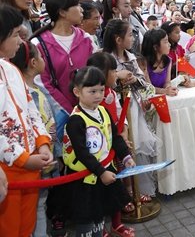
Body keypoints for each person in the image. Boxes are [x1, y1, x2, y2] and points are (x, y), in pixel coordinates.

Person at [61, 66, 135, 237]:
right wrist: (101, 172)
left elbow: (114, 137)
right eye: (92, 91)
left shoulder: (102, 111)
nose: (98, 95)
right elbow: (82, 152)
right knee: (87, 222)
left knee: (100, 216)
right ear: (77, 92)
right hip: (85, 179)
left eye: (101, 90)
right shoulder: (76, 120)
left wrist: (125, 156)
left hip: (104, 171)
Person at [0, 5, 53, 237]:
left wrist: (42, 143)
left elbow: (31, 110)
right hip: (8, 171)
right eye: (14, 36)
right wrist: (22, 159)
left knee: (26, 226)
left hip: (31, 165)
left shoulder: (11, 69)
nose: (21, 43)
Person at [102, 19, 159, 203]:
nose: (133, 38)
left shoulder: (132, 57)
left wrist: (134, 79)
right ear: (118, 39)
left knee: (138, 148)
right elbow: (100, 82)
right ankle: (125, 194)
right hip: (114, 110)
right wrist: (117, 76)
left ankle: (139, 190)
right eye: (130, 35)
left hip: (134, 107)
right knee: (121, 150)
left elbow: (144, 83)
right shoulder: (105, 59)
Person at [85, 52, 136, 236]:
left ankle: (117, 223)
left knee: (116, 188)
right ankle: (102, 228)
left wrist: (123, 133)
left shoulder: (112, 93)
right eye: (113, 70)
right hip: (100, 156)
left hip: (115, 149)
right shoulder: (89, 101)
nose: (116, 74)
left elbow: (119, 115)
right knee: (99, 194)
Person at [30, 0, 94, 114]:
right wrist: (69, 110)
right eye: (77, 5)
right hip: (57, 115)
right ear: (62, 12)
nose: (81, 10)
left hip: (88, 111)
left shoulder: (87, 39)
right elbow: (42, 83)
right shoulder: (38, 44)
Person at [141, 29, 179, 96]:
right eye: (166, 42)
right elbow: (148, 88)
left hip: (162, 97)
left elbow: (167, 82)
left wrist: (169, 88)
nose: (169, 44)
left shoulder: (168, 60)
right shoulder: (142, 63)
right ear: (155, 47)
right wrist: (165, 91)